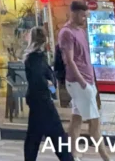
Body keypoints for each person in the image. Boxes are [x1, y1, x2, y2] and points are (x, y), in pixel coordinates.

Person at [59, 1, 109, 161]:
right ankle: (106, 158)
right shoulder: (66, 33)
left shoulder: (80, 31)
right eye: (82, 15)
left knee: (77, 118)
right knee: (95, 123)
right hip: (78, 82)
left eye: (86, 16)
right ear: (74, 13)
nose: (84, 19)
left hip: (87, 80)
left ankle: (73, 154)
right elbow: (69, 60)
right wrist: (83, 83)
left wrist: (90, 81)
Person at [25, 27, 75, 161]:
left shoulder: (34, 58)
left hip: (38, 102)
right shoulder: (38, 59)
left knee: (33, 138)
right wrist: (51, 90)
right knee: (56, 136)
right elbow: (47, 81)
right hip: (43, 103)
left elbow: (47, 81)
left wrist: (51, 90)